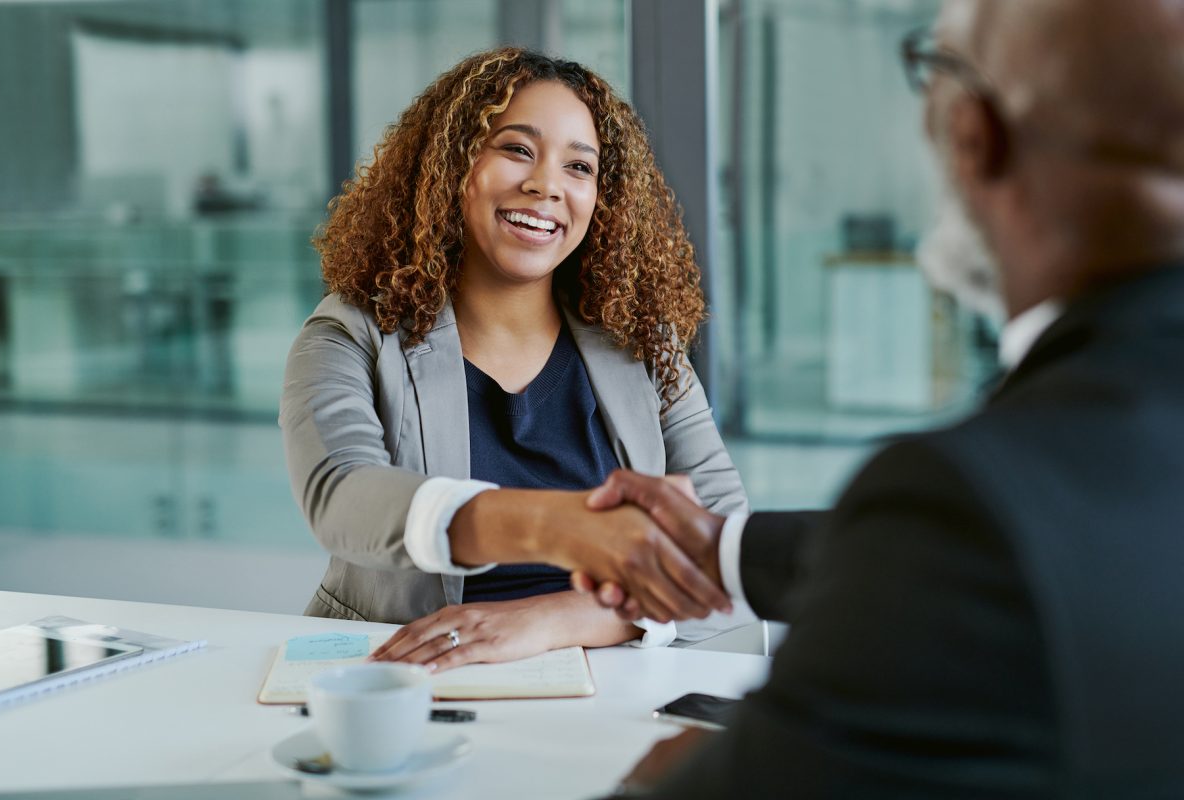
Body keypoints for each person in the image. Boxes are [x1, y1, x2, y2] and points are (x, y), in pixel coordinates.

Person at [570, 0, 1184, 795]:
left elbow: (963, 560)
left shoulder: (968, 507)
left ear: (973, 136)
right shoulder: (1048, 487)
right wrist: (724, 550)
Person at [279, 47, 752, 673]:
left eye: (579, 167)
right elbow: (341, 497)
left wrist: (546, 621)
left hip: (607, 679)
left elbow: (724, 553)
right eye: (516, 149)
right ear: (453, 166)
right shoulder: (353, 334)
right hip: (407, 676)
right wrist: (556, 527)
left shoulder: (643, 345)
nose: (546, 185)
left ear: (601, 198)